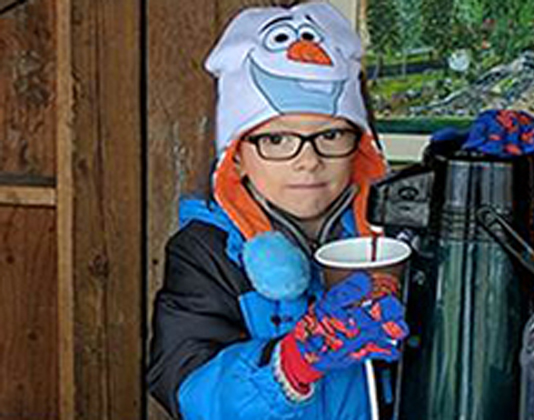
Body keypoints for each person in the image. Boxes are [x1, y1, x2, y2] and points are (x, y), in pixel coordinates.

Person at [147, 3, 409, 419]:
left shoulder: (396, 234)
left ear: (360, 147)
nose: (307, 160)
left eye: (331, 134)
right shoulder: (207, 251)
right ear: (235, 156)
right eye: (275, 140)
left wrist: (518, 189)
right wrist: (290, 365)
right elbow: (187, 389)